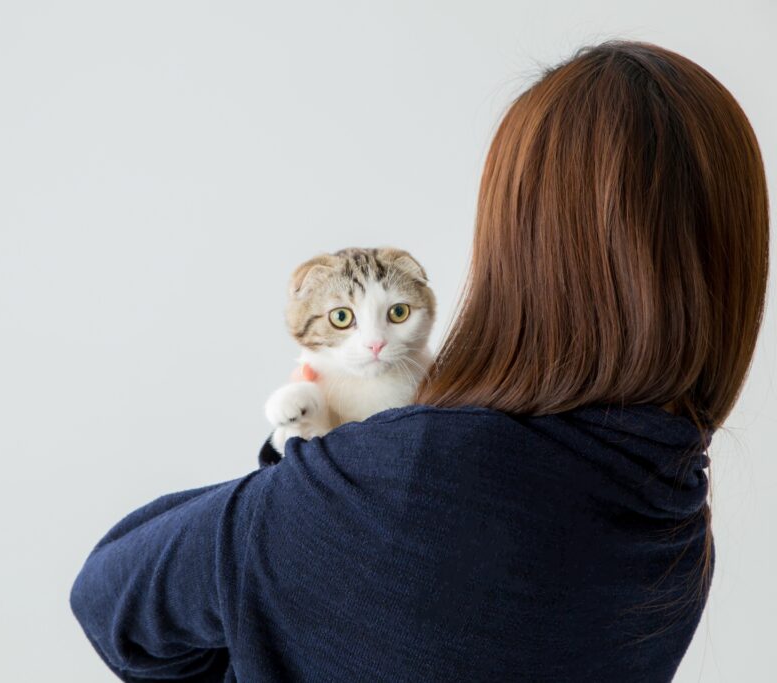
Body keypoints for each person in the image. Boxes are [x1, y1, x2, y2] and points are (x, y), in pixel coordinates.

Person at [69, 41, 768, 682]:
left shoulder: (413, 472)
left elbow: (109, 597)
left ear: (520, 249)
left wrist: (307, 468)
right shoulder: (673, 519)